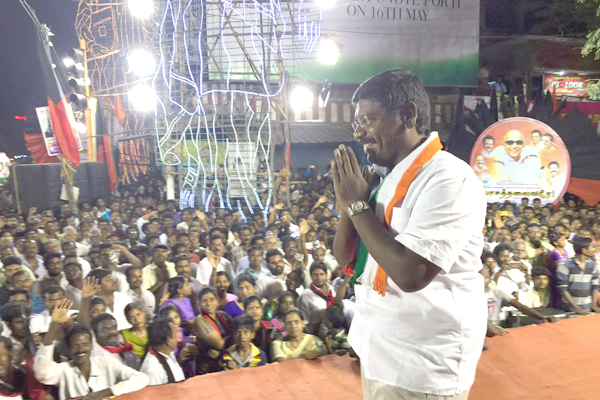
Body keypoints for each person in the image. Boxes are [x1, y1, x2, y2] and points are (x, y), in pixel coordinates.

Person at [333, 69, 486, 399]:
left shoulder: (449, 178)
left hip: (423, 364)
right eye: (356, 124)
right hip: (379, 351)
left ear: (407, 115)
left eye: (368, 120)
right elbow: (345, 259)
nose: (358, 133)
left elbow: (411, 274)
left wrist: (358, 207)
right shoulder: (383, 177)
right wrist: (349, 204)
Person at [33, 299, 149, 400]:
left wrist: (103, 393)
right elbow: (42, 373)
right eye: (75, 345)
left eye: (85, 344)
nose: (81, 349)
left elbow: (141, 378)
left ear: (92, 345)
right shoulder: (64, 370)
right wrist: (53, 327)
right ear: (68, 349)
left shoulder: (106, 363)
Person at [192, 287, 233, 374]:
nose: (208, 303)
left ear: (217, 301)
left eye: (212, 299)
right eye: (205, 301)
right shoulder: (200, 321)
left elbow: (236, 330)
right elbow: (220, 344)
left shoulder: (222, 315)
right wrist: (234, 337)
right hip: (207, 366)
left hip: (224, 360)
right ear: (199, 304)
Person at [557, 236, 600, 315]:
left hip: (587, 306)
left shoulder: (592, 265)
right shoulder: (564, 265)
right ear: (584, 250)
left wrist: (593, 305)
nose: (595, 249)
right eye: (592, 247)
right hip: (570, 308)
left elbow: (595, 286)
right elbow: (563, 289)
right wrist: (577, 308)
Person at [140, 318, 186, 385]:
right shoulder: (153, 369)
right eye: (176, 335)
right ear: (168, 341)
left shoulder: (169, 352)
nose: (178, 337)